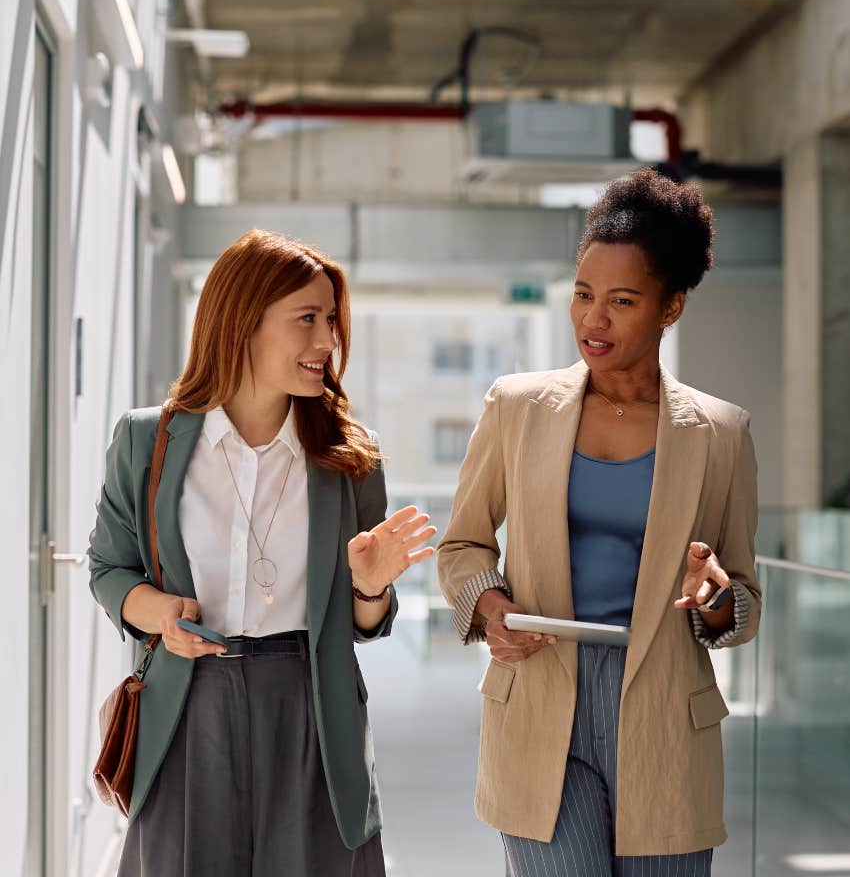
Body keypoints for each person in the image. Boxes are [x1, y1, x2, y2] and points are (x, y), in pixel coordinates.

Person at [437, 169, 761, 876]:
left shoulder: (722, 433)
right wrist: (491, 608)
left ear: (670, 306)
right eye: (583, 295)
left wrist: (712, 598)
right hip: (538, 698)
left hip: (667, 718)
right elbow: (463, 543)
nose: (593, 320)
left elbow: (741, 596)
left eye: (622, 301)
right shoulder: (516, 408)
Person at [89, 229, 435, 876]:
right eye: (307, 319)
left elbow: (367, 624)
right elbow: (109, 568)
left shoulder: (350, 458)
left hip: (309, 710)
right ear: (243, 320)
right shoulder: (147, 441)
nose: (327, 341)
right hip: (187, 712)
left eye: (331, 320)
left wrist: (368, 587)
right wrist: (160, 611)